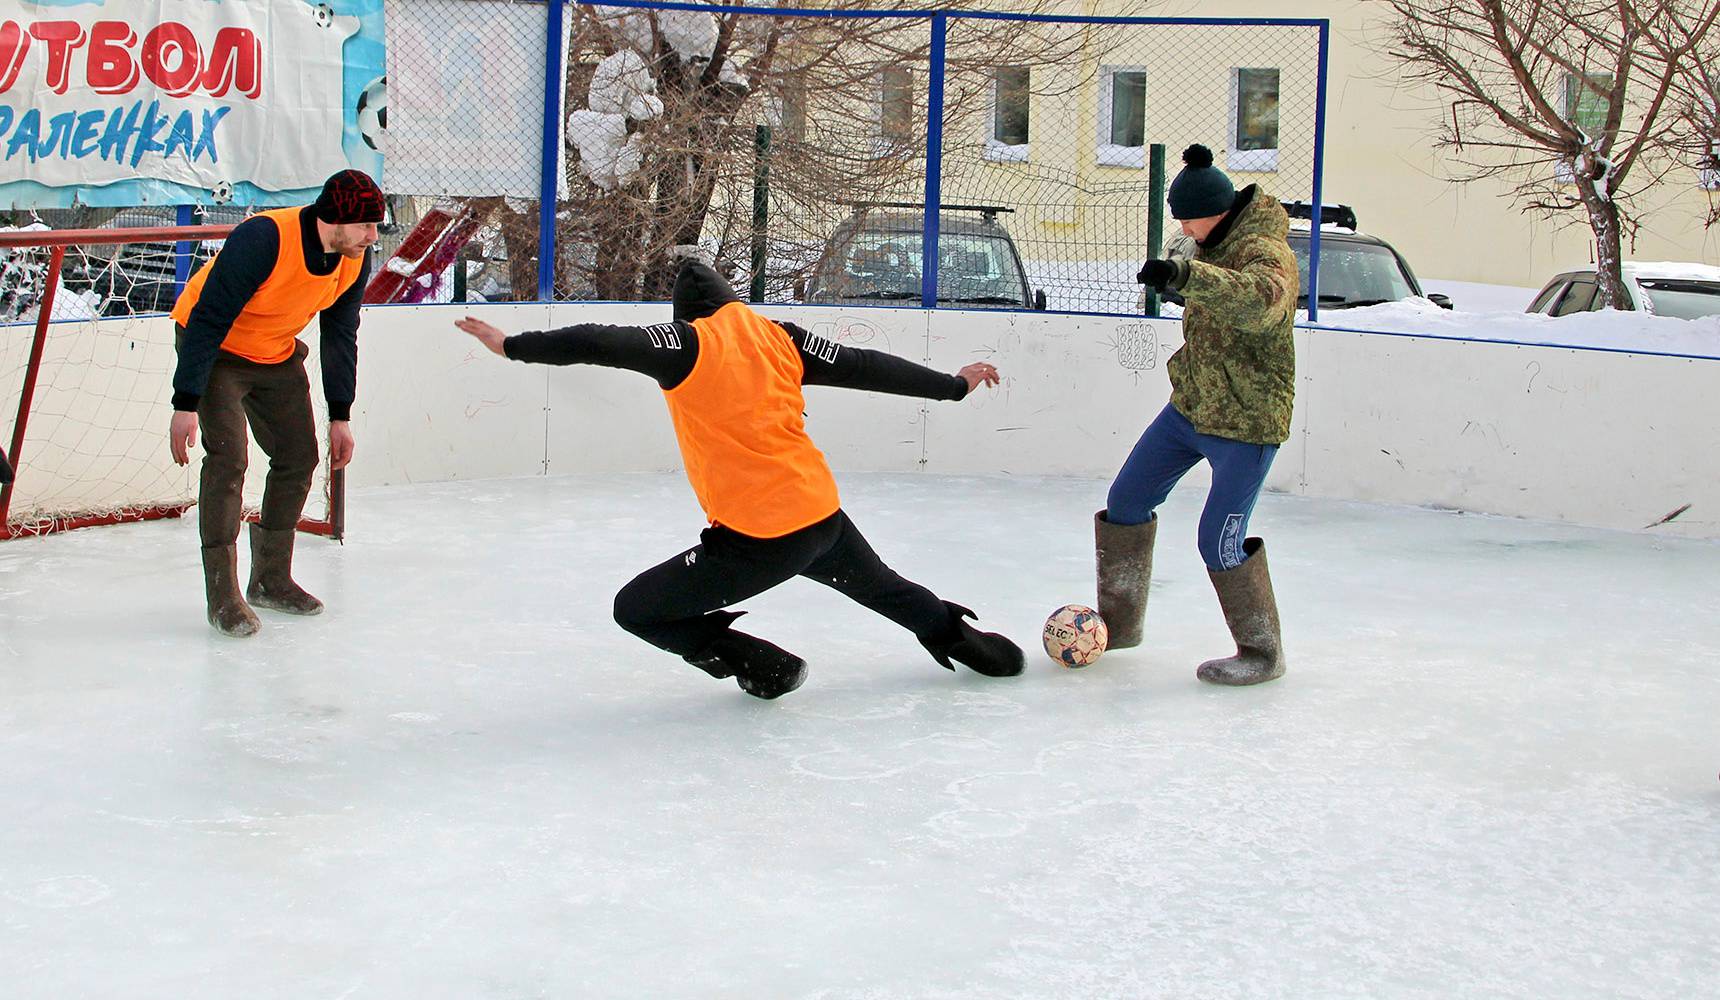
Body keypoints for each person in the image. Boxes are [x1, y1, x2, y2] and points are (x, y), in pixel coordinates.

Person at [453, 259, 1024, 699]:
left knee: (637, 610)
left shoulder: (686, 343)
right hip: (821, 516)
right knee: (885, 588)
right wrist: (952, 386)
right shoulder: (782, 335)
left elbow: (601, 341)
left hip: (757, 539)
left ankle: (766, 667)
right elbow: (866, 364)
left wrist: (511, 346)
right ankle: (972, 646)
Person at [1098, 144, 1298, 686]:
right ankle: (1116, 626)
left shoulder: (1265, 249)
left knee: (1219, 540)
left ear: (1219, 210)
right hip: (1190, 408)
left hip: (1246, 422)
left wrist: (1189, 278)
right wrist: (1178, 279)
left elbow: (1260, 302)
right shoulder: (1207, 241)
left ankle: (1262, 653)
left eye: (1188, 216)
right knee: (1126, 502)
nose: (1182, 226)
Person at [167, 169, 384, 637]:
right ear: (337, 217)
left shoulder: (353, 258)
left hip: (274, 351)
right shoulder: (264, 237)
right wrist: (185, 402)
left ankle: (270, 578)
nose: (373, 235)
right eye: (366, 224)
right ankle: (223, 595)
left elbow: (341, 336)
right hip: (217, 348)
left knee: (299, 456)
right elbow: (208, 317)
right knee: (229, 459)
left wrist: (340, 414)